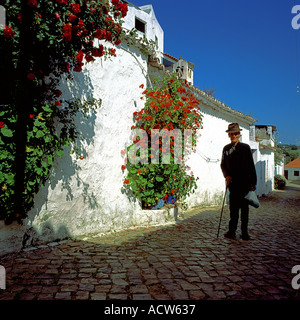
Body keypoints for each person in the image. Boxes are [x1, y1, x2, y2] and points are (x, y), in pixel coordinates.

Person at [220, 123, 257, 240]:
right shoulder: (226, 149)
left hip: (245, 184)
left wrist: (253, 183)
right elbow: (223, 165)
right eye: (231, 134)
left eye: (235, 133)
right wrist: (226, 175)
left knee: (244, 211)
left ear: (239, 134)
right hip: (233, 184)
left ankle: (244, 233)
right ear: (228, 135)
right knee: (233, 210)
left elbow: (251, 166)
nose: (233, 136)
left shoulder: (245, 148)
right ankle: (232, 231)